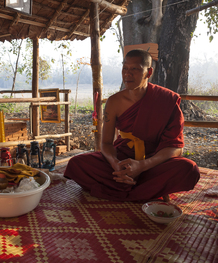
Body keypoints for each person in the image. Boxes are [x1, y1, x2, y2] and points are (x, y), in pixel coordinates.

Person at [64, 49, 200, 202]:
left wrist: (141, 166)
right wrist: (116, 165)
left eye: (134, 69)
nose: (127, 74)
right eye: (125, 68)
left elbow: (176, 148)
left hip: (154, 160)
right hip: (123, 157)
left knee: (189, 169)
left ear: (149, 72)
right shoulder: (114, 102)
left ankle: (122, 188)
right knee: (77, 164)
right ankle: (142, 189)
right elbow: (106, 143)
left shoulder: (167, 100)